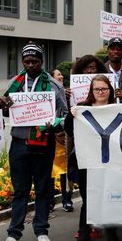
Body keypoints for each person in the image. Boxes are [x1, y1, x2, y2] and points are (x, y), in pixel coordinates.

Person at [0, 42, 68, 241]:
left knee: (43, 188)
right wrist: (1, 105)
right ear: (22, 62)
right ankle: (14, 232)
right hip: (19, 142)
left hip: (44, 142)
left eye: (34, 61)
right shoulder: (15, 82)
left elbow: (66, 114)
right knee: (20, 190)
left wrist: (56, 124)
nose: (30, 65)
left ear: (42, 62)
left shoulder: (54, 85)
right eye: (26, 62)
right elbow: (7, 110)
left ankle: (41, 230)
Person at [68, 55, 109, 241]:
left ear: (109, 90)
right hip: (86, 162)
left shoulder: (117, 108)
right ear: (91, 90)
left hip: (107, 163)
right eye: (97, 89)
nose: (100, 92)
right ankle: (84, 233)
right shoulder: (82, 108)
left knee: (104, 197)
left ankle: (102, 229)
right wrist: (71, 115)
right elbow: (69, 130)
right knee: (87, 199)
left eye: (104, 88)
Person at [48, 68, 74, 213]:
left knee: (65, 169)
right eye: (58, 75)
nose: (61, 76)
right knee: (52, 170)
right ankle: (51, 200)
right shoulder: (49, 92)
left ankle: (66, 198)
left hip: (65, 135)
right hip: (52, 135)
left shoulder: (68, 92)